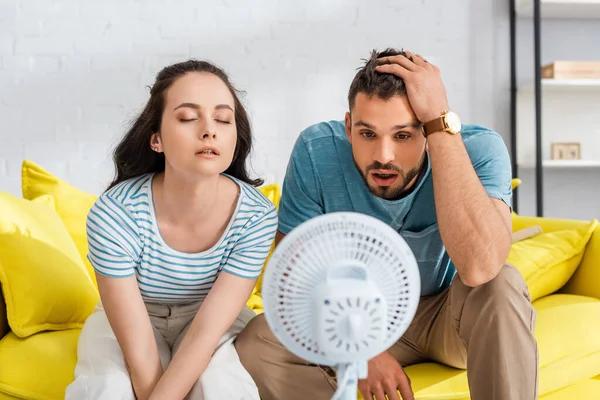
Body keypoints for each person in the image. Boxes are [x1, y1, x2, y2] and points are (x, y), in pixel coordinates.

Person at [235, 48, 538, 400]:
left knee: (501, 282)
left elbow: (481, 267)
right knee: (258, 343)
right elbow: (294, 277)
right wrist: (358, 350)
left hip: (445, 314)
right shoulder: (316, 151)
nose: (383, 156)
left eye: (403, 135)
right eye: (367, 134)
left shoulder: (478, 147)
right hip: (352, 316)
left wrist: (441, 127)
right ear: (348, 127)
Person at [65, 60, 277, 400]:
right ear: (156, 139)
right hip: (134, 314)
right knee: (108, 388)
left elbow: (206, 333)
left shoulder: (256, 215)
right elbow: (141, 355)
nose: (209, 130)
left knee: (222, 387)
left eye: (223, 119)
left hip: (211, 319)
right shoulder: (115, 213)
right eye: (188, 118)